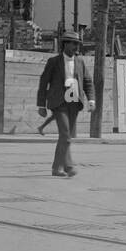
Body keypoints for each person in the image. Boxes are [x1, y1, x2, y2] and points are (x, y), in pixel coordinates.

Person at [36, 31, 94, 178]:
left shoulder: (80, 62)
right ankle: (60, 167)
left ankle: (66, 166)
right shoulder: (53, 62)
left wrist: (91, 100)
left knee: (66, 136)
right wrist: (41, 105)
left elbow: (88, 81)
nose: (76, 46)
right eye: (73, 43)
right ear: (65, 44)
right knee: (66, 135)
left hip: (74, 101)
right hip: (59, 102)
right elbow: (43, 83)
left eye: (78, 44)